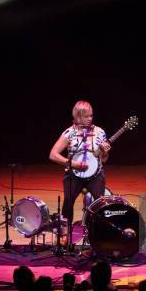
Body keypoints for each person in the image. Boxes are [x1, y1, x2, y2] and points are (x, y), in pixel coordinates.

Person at [49, 100, 111, 244]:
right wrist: (73, 164)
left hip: (95, 175)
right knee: (68, 202)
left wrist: (106, 153)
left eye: (91, 115)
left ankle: (98, 233)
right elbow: (53, 154)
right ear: (77, 117)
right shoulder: (69, 133)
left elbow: (104, 160)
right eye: (86, 116)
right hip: (74, 174)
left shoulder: (99, 132)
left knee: (98, 203)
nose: (90, 118)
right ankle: (65, 235)